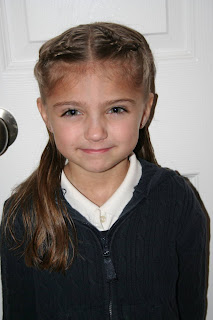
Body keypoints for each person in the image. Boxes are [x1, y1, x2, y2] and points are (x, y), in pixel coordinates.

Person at [1, 22, 207, 320]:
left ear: (145, 110)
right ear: (46, 115)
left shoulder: (176, 199)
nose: (95, 132)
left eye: (116, 109)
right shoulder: (23, 214)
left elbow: (191, 305)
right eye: (72, 112)